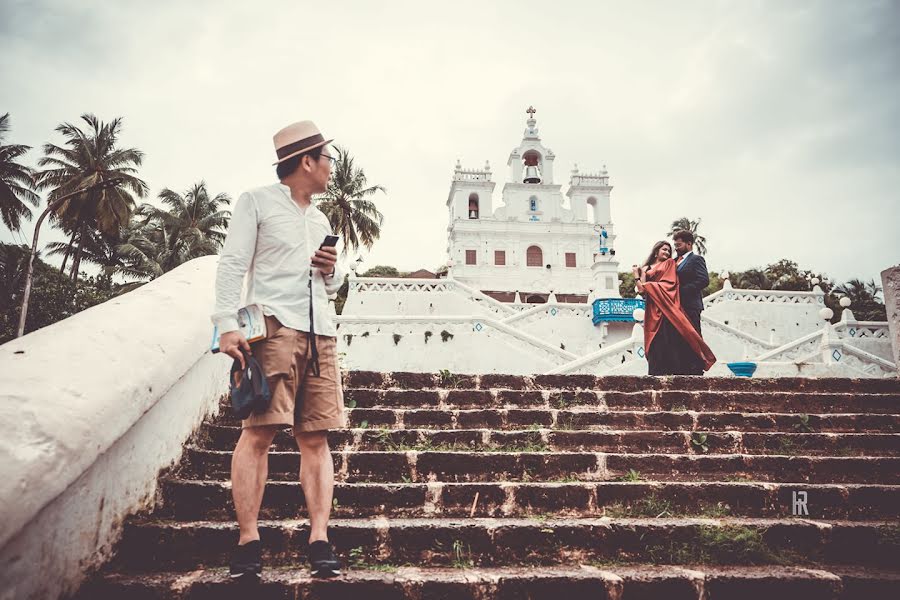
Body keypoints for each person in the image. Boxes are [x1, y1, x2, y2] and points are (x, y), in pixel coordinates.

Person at [212, 120, 347, 581]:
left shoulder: (322, 219)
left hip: (320, 331)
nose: (331, 167)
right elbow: (232, 264)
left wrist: (333, 269)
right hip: (273, 327)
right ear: (306, 162)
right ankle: (249, 540)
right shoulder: (256, 202)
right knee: (260, 432)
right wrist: (226, 326)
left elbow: (333, 284)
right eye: (327, 159)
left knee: (316, 437)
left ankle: (319, 538)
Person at [634, 241, 716, 375]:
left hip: (665, 304)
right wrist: (637, 276)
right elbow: (641, 289)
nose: (667, 252)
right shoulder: (646, 268)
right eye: (664, 250)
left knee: (667, 336)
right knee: (652, 337)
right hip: (653, 305)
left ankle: (678, 370)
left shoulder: (670, 263)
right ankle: (655, 372)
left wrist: (648, 286)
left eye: (668, 250)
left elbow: (669, 284)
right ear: (656, 251)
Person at [673, 229, 710, 375]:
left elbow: (703, 280)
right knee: (679, 336)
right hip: (676, 306)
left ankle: (697, 367)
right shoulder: (674, 262)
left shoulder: (696, 260)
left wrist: (681, 291)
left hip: (691, 305)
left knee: (694, 335)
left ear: (689, 244)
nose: (676, 248)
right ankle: (682, 367)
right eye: (675, 245)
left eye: (679, 245)